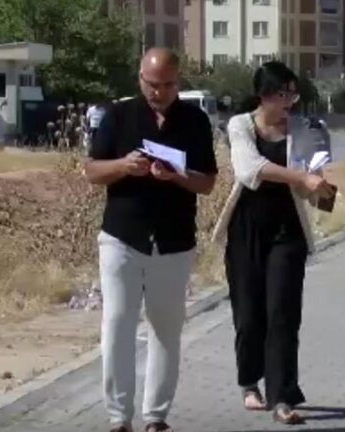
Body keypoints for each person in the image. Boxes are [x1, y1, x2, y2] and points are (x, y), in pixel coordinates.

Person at [85, 48, 218, 432]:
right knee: (117, 324)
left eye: (168, 85)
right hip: (122, 237)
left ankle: (156, 416)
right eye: (152, 84)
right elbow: (92, 170)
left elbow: (207, 182)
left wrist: (175, 175)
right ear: (140, 78)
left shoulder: (195, 120)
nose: (159, 92)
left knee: (166, 329)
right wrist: (124, 166)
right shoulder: (118, 115)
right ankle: (118, 418)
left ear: (178, 81)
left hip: (174, 240)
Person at [212, 61, 335, 425]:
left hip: (287, 230)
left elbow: (313, 174)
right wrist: (299, 176)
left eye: (293, 94)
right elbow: (249, 170)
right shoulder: (241, 125)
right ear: (264, 95)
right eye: (283, 94)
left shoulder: (303, 128)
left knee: (283, 311)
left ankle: (283, 395)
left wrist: (319, 183)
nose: (289, 102)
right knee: (249, 313)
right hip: (247, 227)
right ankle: (249, 382)